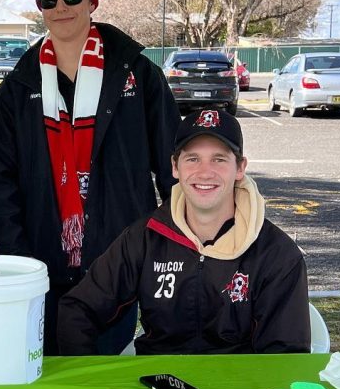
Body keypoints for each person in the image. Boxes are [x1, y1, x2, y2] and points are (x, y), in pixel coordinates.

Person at [0, 0, 179, 354]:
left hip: (118, 255)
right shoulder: (19, 85)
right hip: (42, 260)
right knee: (47, 372)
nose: (61, 7)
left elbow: (171, 167)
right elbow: (1, 182)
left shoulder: (138, 75)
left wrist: (157, 245)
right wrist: (20, 258)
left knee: (103, 374)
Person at [57, 108, 310, 355]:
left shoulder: (277, 253)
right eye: (192, 159)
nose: (205, 172)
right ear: (175, 167)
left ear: (240, 168)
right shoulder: (145, 238)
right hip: (157, 385)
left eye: (219, 159)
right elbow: (78, 309)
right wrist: (90, 379)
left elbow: (286, 356)